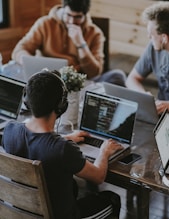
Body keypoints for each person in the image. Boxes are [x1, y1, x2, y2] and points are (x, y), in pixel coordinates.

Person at [1, 69, 123, 219]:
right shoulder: (62, 149)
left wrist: (65, 138)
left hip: (22, 210)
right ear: (62, 105)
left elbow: (38, 144)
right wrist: (104, 151)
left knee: (72, 186)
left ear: (27, 101)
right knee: (111, 199)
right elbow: (98, 177)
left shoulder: (9, 130)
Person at [11, 0, 126, 86]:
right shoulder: (44, 24)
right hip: (47, 79)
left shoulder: (95, 33)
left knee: (118, 76)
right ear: (63, 8)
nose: (71, 21)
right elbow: (19, 50)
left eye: (77, 17)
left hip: (77, 84)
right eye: (68, 15)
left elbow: (94, 73)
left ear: (85, 15)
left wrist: (81, 44)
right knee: (11, 70)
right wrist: (28, 62)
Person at [126, 2, 169, 115]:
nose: (148, 37)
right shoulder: (153, 48)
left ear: (164, 38)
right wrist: (143, 95)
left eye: (151, 34)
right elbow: (132, 79)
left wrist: (168, 106)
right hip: (160, 115)